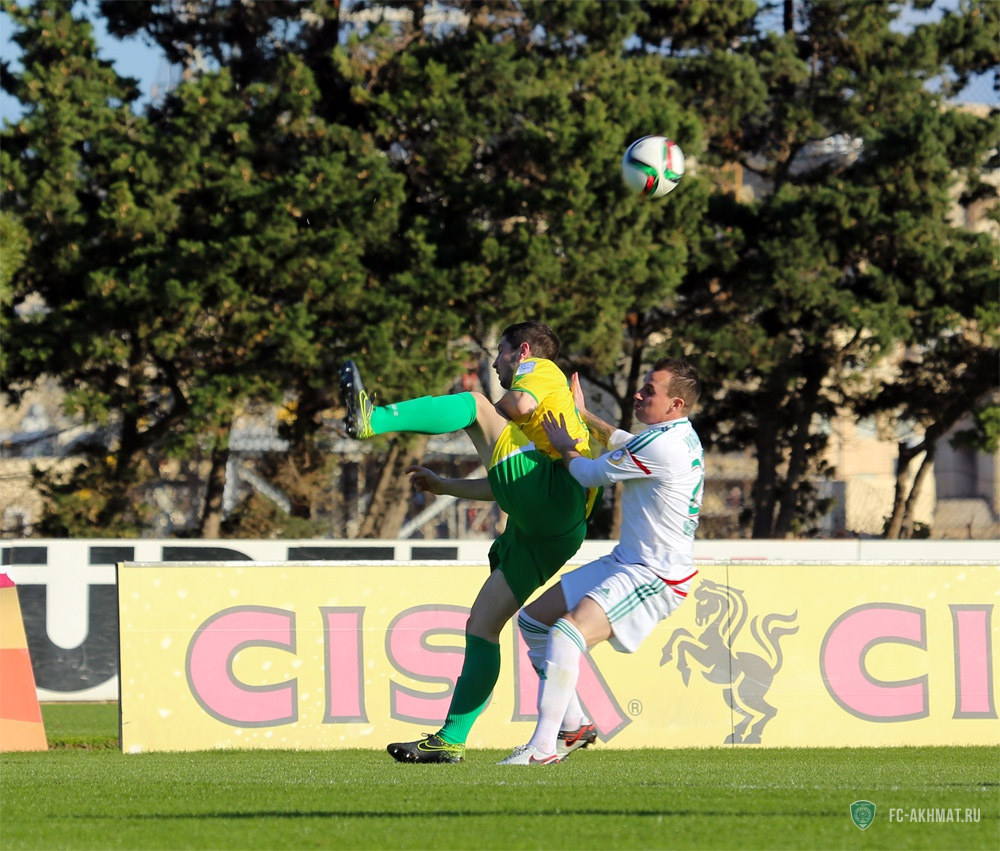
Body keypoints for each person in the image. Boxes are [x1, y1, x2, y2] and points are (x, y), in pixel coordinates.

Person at [340, 321, 598, 763]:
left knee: (475, 403)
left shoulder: (540, 370)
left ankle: (373, 419)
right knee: (482, 627)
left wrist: (481, 415)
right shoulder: (540, 428)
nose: (495, 363)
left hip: (556, 499)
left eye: (500, 352)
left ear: (523, 351)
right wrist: (446, 486)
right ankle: (451, 740)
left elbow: (517, 405)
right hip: (553, 524)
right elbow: (511, 483)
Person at [498, 357, 704, 765]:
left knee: (565, 634)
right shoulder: (675, 434)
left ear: (676, 404)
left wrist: (564, 445)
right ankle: (573, 726)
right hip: (627, 562)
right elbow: (622, 441)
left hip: (656, 576)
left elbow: (588, 474)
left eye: (650, 391)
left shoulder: (661, 445)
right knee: (535, 622)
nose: (638, 394)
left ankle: (543, 748)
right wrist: (583, 414)